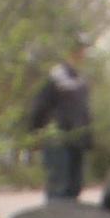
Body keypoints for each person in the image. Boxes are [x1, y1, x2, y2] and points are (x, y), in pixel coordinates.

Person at [27, 36, 92, 200]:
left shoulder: (80, 79)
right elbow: (39, 107)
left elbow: (83, 111)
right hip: (57, 142)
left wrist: (87, 137)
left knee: (73, 188)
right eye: (79, 49)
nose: (82, 54)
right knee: (58, 190)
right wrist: (37, 135)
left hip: (76, 142)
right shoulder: (54, 77)